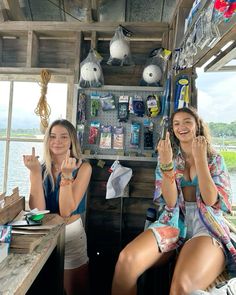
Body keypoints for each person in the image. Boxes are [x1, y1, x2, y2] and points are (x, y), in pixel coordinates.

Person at [111, 107, 236, 295]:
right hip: (174, 220)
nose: (181, 126)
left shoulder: (215, 160)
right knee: (126, 260)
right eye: (176, 123)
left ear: (197, 126)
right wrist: (167, 164)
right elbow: (170, 202)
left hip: (207, 225)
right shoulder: (168, 158)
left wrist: (200, 159)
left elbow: (211, 200)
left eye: (187, 121)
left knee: (181, 288)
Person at [23, 119, 92, 295]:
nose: (57, 141)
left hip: (71, 235)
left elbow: (66, 210)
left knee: (76, 291)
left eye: (63, 137)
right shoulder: (42, 167)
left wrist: (66, 176)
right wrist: (35, 173)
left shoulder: (84, 168)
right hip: (45, 235)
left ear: (72, 141)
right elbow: (38, 210)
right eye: (52, 136)